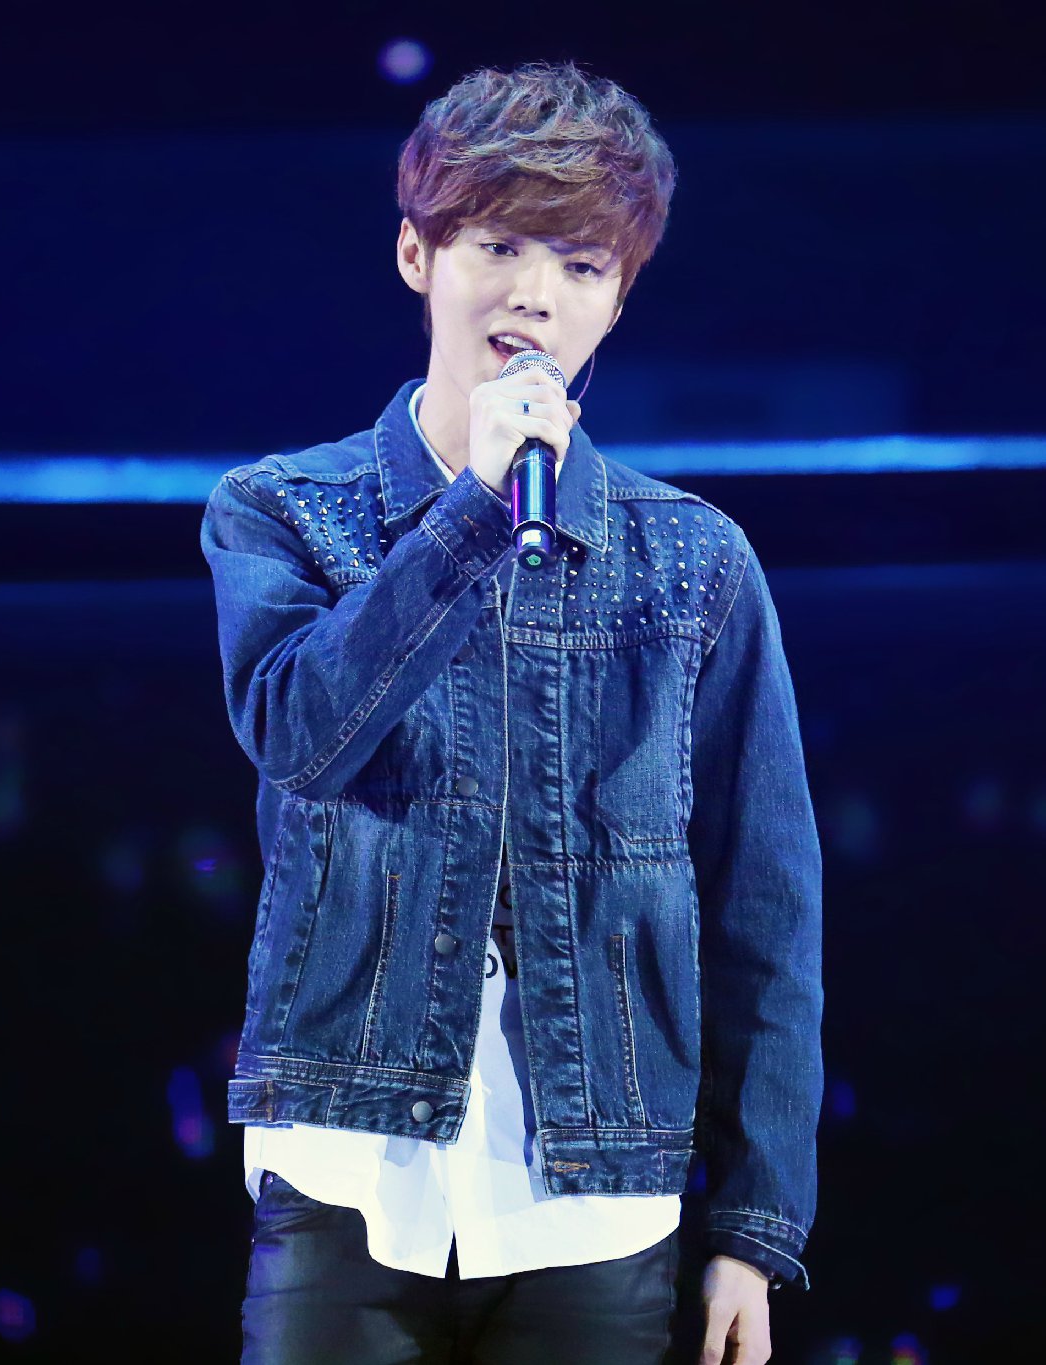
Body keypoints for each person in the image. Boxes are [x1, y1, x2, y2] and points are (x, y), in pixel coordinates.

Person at [198, 58, 823, 1365]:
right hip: (346, 1168)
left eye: (581, 265)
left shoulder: (696, 563)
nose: (536, 292)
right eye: (499, 245)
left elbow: (764, 905)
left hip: (597, 1199)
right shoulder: (282, 511)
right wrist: (471, 516)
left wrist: (753, 1226)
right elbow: (300, 733)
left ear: (620, 296)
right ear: (417, 254)